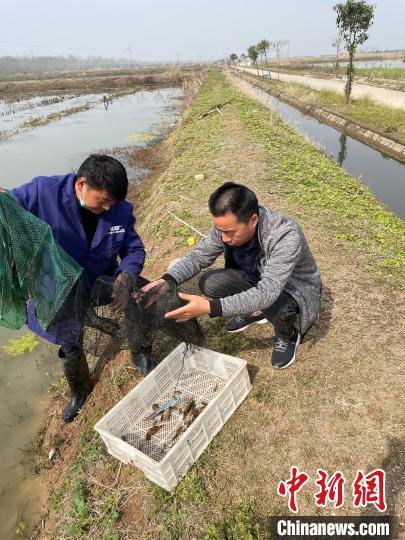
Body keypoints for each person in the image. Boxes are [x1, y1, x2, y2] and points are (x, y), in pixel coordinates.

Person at [9, 154, 153, 421]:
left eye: (114, 202)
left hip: (99, 279)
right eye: (104, 201)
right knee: (69, 337)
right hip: (58, 289)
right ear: (81, 184)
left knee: (141, 295)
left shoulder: (119, 209)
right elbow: (8, 205)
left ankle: (141, 353)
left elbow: (134, 249)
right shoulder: (43, 192)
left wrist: (126, 274)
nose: (109, 208)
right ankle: (80, 390)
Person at [143, 182, 321, 369]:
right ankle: (255, 311)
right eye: (220, 231)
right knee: (210, 283)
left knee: (280, 308)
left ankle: (288, 335)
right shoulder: (224, 227)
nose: (224, 238)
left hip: (291, 289)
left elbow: (267, 292)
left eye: (229, 233)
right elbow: (199, 256)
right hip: (257, 277)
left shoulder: (284, 235)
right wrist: (168, 280)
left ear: (253, 220)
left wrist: (211, 308)